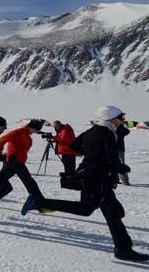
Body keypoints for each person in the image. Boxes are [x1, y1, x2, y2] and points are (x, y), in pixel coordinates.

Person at [29, 106, 148, 262]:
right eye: (122, 117)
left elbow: (74, 146)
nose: (123, 120)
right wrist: (123, 168)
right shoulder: (107, 133)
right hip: (95, 179)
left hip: (96, 177)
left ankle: (123, 249)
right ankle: (41, 203)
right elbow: (112, 159)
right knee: (85, 209)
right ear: (111, 118)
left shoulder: (91, 131)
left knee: (114, 213)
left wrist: (92, 155)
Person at [0, 119, 46, 214]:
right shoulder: (19, 132)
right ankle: (41, 204)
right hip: (15, 162)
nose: (37, 132)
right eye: (37, 130)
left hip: (13, 162)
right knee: (30, 182)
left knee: (0, 180)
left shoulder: (26, 135)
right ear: (32, 127)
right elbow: (2, 140)